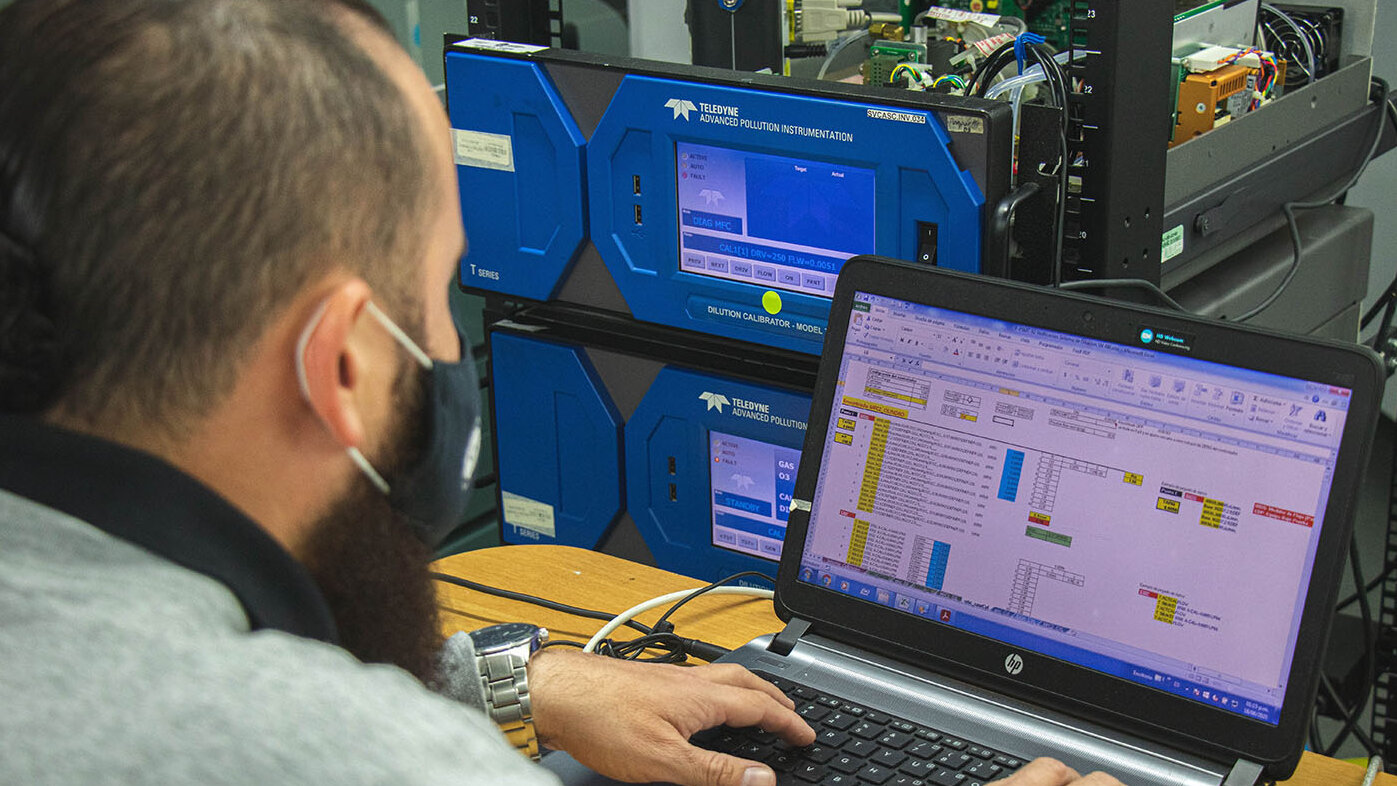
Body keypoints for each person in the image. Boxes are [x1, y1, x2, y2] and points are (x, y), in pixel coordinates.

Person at [0, 1, 1124, 784]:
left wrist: (517, 680)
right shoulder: (344, 755)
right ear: (342, 364)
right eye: (440, 294)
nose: (447, 343)